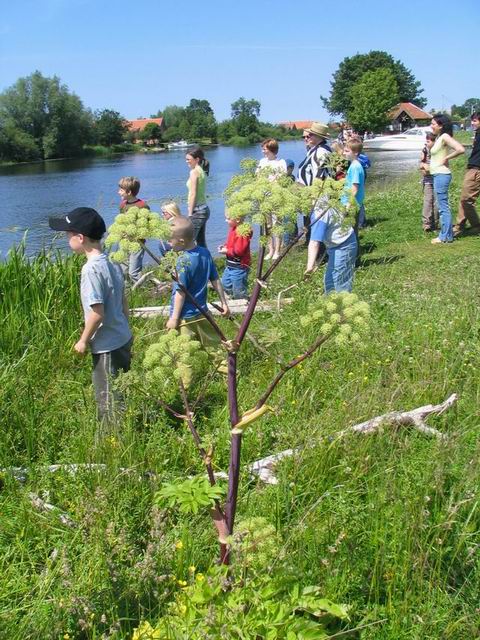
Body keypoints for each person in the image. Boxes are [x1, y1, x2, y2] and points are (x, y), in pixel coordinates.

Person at [48, 207, 132, 424]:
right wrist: (127, 327)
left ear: (80, 238)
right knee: (121, 389)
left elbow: (97, 314)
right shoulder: (112, 261)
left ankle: (111, 437)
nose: (66, 239)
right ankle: (125, 427)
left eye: (68, 235)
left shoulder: (90, 270)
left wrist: (83, 341)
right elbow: (123, 300)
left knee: (107, 398)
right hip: (123, 337)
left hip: (106, 346)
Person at [166, 217, 229, 367]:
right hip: (203, 312)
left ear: (181, 241)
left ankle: (186, 380)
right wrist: (224, 303)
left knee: (183, 355)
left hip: (185, 317)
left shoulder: (182, 261)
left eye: (170, 240)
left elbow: (180, 293)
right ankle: (228, 371)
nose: (168, 243)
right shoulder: (205, 253)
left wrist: (174, 318)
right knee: (214, 345)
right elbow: (215, 279)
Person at [304, 196, 357, 293]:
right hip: (336, 245)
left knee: (336, 283)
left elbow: (314, 242)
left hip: (344, 245)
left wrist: (309, 267)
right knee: (330, 281)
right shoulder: (321, 200)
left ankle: (341, 301)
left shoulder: (319, 214)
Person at [429, 114, 465, 244]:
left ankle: (445, 236)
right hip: (437, 174)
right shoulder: (439, 137)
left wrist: (447, 158)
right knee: (442, 206)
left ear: (440, 125)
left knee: (443, 206)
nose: (431, 126)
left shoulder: (444, 136)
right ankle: (447, 235)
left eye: (433, 124)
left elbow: (460, 149)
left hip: (441, 175)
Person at [297, 122, 332, 243]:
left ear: (319, 137)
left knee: (317, 223)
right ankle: (313, 245)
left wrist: (313, 197)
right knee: (311, 224)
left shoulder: (321, 152)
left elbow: (320, 176)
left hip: (317, 196)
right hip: (310, 194)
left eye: (310, 135)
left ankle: (318, 249)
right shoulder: (315, 150)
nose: (308, 137)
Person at [257, 138, 287, 260]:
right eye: (263, 149)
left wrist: (271, 182)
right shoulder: (262, 161)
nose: (263, 151)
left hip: (276, 196)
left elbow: (281, 178)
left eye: (264, 149)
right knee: (267, 225)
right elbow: (258, 176)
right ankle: (270, 250)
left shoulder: (281, 162)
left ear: (271, 149)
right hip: (263, 196)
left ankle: (277, 251)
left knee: (277, 224)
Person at [453, 111, 480, 237]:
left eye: (475, 121)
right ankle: (460, 225)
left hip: (476, 169)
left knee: (466, 200)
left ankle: (475, 226)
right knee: (465, 198)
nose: (472, 123)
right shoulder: (477, 134)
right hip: (472, 168)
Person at [118, 176, 150, 282]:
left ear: (129, 192)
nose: (118, 192)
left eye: (121, 190)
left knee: (133, 273)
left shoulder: (142, 206)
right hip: (124, 242)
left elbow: (146, 226)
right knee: (123, 270)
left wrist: (136, 235)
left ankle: (141, 289)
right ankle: (127, 290)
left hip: (137, 243)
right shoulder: (122, 205)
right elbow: (121, 222)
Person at [218, 213, 252, 299]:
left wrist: (227, 251)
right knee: (225, 284)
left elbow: (239, 251)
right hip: (230, 265)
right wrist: (225, 246)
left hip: (239, 267)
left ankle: (243, 302)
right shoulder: (233, 229)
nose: (226, 220)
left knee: (239, 289)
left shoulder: (242, 233)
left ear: (237, 220)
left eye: (228, 218)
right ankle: (233, 297)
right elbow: (231, 243)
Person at [186, 147, 210, 248]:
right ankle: (206, 259)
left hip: (198, 211)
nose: (186, 161)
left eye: (189, 159)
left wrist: (190, 214)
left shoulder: (194, 172)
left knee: (188, 242)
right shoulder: (201, 170)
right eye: (186, 159)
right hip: (203, 209)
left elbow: (193, 193)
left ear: (197, 159)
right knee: (201, 243)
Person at [342, 138, 366, 239]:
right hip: (351, 202)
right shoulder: (353, 165)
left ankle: (353, 248)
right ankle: (354, 247)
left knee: (350, 230)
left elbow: (355, 188)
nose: (344, 153)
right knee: (351, 229)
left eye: (347, 151)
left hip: (352, 204)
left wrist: (348, 205)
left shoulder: (355, 167)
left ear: (356, 153)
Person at [419, 132, 439, 232]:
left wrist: (429, 168)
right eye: (426, 141)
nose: (427, 143)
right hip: (427, 180)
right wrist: (424, 168)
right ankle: (426, 224)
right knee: (428, 201)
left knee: (436, 202)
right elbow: (421, 165)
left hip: (438, 179)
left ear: (435, 142)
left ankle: (435, 223)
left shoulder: (439, 151)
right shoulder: (424, 150)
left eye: (429, 141)